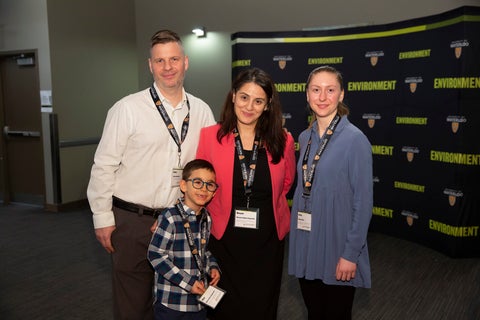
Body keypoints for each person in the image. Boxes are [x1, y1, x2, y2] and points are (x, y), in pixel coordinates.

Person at [86, 29, 216, 319]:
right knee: (133, 304)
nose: (167, 67)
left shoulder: (203, 111)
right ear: (150, 65)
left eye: (173, 59)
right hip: (132, 221)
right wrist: (102, 218)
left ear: (186, 62)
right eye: (160, 61)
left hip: (179, 222)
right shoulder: (127, 109)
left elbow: (207, 168)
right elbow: (104, 165)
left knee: (179, 304)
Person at [196, 67, 296, 319]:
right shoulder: (209, 137)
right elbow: (201, 187)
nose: (249, 106)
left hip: (267, 241)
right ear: (233, 96)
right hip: (223, 239)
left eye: (258, 100)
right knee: (223, 306)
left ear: (267, 105)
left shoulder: (283, 140)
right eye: (244, 97)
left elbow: (286, 183)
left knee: (262, 305)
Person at [288, 65, 373, 320]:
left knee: (336, 314)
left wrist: (350, 254)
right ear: (307, 95)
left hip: (337, 245)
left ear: (341, 94)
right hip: (307, 242)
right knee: (314, 312)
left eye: (330, 90)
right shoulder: (305, 137)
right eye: (316, 90)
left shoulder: (355, 140)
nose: (322, 97)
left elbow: (363, 202)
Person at [147, 159, 221, 320]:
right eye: (197, 182)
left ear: (214, 191)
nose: (204, 188)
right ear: (183, 186)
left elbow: (203, 251)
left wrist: (212, 266)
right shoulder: (170, 217)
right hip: (172, 302)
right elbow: (155, 255)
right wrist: (187, 283)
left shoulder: (206, 218)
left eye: (210, 184)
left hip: (198, 302)